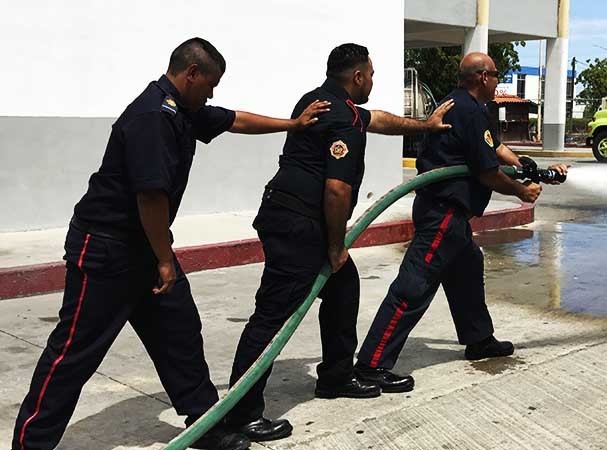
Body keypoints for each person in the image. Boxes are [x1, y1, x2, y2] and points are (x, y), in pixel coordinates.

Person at [12, 37, 330, 450]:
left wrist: (292, 124)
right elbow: (150, 196)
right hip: (107, 251)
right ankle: (30, 443)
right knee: (73, 353)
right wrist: (165, 259)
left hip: (144, 247)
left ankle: (205, 424)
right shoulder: (153, 117)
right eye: (210, 83)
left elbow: (234, 120)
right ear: (190, 73)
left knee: (179, 331)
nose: (213, 93)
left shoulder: (184, 109)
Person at [224, 43, 454, 443]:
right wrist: (335, 246)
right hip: (301, 226)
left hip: (284, 212)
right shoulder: (344, 120)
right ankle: (241, 413)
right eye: (372, 74)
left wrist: (425, 126)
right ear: (358, 76)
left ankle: (335, 376)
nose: (373, 82)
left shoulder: (318, 101)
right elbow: (336, 190)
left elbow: (378, 119)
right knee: (273, 315)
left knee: (343, 287)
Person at [354, 52, 569, 391]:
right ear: (483, 77)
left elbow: (493, 148)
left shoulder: (466, 107)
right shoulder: (468, 110)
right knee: (413, 287)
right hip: (443, 214)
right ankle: (371, 364)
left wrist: (526, 166)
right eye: (496, 74)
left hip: (452, 217)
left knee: (468, 271)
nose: (499, 81)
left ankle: (479, 339)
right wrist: (520, 191)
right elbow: (487, 172)